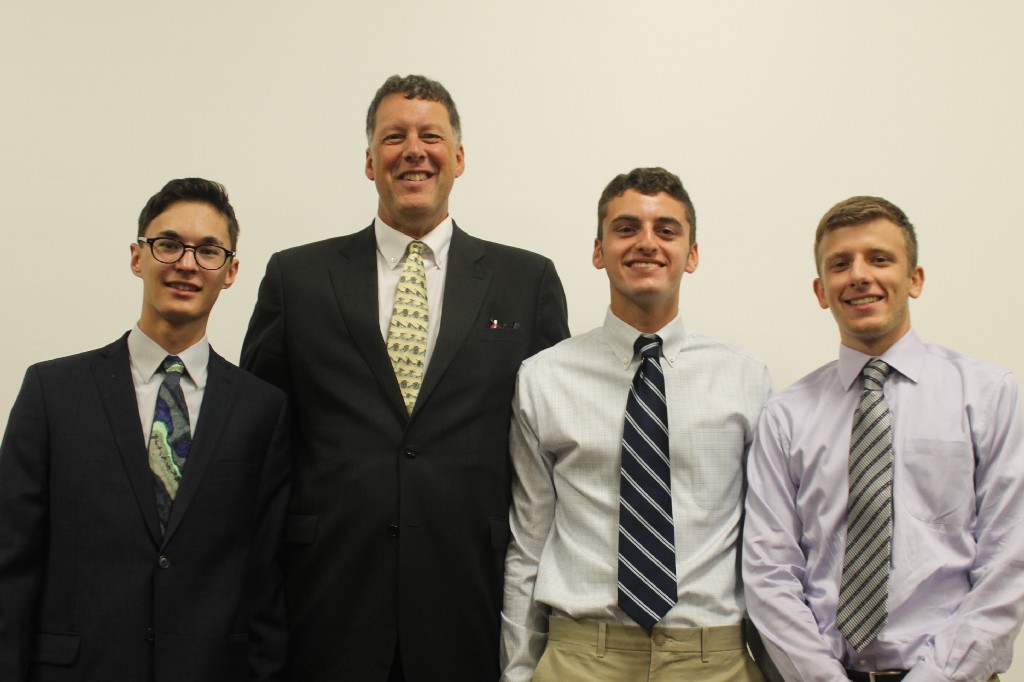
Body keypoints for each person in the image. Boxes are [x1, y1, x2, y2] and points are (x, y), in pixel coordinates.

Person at [241, 74, 569, 682]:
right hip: (327, 600)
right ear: (370, 161)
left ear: (459, 158)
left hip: (471, 598)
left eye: (430, 136)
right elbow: (261, 444)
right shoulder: (297, 278)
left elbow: (554, 451)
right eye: (394, 137)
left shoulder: (527, 281)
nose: (413, 149)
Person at [0, 178, 291, 681]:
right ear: (137, 257)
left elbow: (268, 580)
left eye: (208, 251)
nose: (186, 263)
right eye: (168, 244)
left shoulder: (262, 411)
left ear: (230, 272)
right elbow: (11, 565)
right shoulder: (52, 393)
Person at [500, 167, 772, 682]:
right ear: (599, 250)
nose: (647, 243)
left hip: (714, 660)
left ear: (692, 254)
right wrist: (517, 671)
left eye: (666, 230)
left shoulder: (746, 380)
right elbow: (528, 543)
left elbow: (768, 547)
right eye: (626, 228)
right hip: (580, 658)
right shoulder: (544, 378)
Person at [743, 196, 1024, 681]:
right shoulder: (785, 416)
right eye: (840, 264)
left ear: (914, 279)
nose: (859, 275)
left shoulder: (987, 396)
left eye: (879, 259)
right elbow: (770, 571)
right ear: (821, 290)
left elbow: (1009, 557)